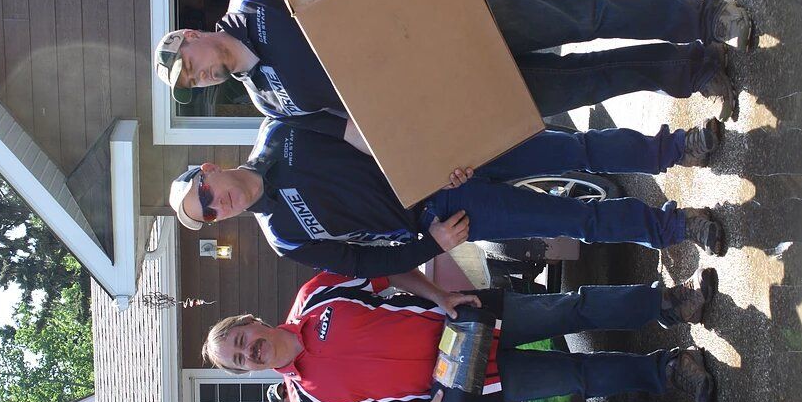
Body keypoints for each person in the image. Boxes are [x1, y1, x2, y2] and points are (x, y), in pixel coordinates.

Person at [153, 0, 751, 155]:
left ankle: (702, 17)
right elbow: (360, 133)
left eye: (190, 65)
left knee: (585, 16)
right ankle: (694, 69)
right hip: (456, 93)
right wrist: (442, 153)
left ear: (190, 34)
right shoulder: (270, 101)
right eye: (192, 85)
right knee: (588, 82)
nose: (200, 78)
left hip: (447, 22)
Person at [201, 266, 721, 402]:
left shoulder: (316, 294)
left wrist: (438, 296)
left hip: (466, 319)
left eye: (242, 341)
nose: (250, 351)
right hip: (468, 379)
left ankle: (669, 302)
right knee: (576, 376)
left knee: (573, 308)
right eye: (242, 360)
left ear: (250, 321)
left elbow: (388, 273)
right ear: (251, 370)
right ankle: (667, 369)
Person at [168, 117, 728, 279]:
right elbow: (363, 262)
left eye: (207, 195)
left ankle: (676, 148)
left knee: (572, 149)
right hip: (446, 216)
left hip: (449, 156)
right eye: (210, 215)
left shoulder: (280, 131)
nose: (220, 208)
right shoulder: (285, 237)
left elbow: (362, 121)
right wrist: (428, 245)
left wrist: (431, 152)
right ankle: (676, 228)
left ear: (210, 170)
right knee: (570, 217)